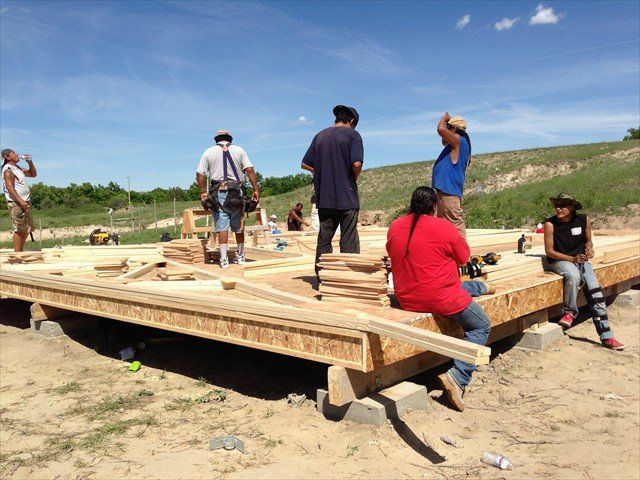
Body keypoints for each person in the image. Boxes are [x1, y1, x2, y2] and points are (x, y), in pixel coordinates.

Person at [386, 186, 491, 411]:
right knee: (481, 326)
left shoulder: (395, 226)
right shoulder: (444, 227)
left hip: (407, 297)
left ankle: (480, 287)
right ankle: (458, 376)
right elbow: (464, 258)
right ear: (435, 206)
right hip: (440, 297)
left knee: (468, 286)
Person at [544, 193, 625, 350]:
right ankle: (570, 312)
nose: (558, 208)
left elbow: (588, 241)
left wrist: (590, 249)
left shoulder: (583, 220)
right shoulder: (550, 224)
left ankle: (607, 337)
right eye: (556, 206)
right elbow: (549, 251)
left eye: (563, 205)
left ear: (572, 207)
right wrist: (572, 259)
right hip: (561, 260)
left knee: (596, 293)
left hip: (581, 260)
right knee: (573, 276)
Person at [301, 105, 364, 274]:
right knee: (348, 237)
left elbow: (304, 163)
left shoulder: (320, 136)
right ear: (351, 121)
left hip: (324, 198)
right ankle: (349, 275)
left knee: (325, 237)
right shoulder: (353, 135)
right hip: (347, 196)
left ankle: (323, 274)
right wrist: (353, 177)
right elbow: (356, 164)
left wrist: (319, 171)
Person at [196, 130, 259, 269]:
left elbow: (199, 175)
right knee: (239, 226)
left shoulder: (208, 152)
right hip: (237, 191)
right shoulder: (239, 150)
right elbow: (249, 170)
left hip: (219, 192)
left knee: (222, 227)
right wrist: (255, 189)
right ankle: (241, 256)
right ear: (230, 139)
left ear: (216, 139)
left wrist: (203, 192)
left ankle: (224, 260)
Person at [432, 113, 471, 238]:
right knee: (441, 224)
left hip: (449, 191)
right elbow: (443, 139)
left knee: (455, 223)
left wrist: (445, 117)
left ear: (454, 130)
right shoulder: (455, 144)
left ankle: (462, 255)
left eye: (449, 128)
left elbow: (440, 129)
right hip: (445, 191)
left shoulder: (459, 141)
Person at [2, 149, 37, 252]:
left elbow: (33, 174)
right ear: (8, 157)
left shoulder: (17, 168)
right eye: (13, 153)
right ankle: (17, 256)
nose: (17, 154)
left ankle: (20, 252)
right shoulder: (8, 170)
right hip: (17, 203)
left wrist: (30, 162)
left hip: (24, 202)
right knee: (19, 230)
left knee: (26, 229)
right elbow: (9, 186)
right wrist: (21, 201)